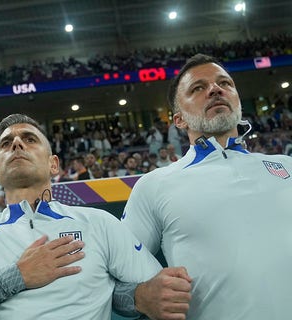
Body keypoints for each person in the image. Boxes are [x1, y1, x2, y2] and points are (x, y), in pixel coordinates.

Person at [0, 114, 191, 320]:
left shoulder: (98, 223)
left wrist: (139, 298)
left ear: (54, 164)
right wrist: (17, 276)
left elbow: (154, 288)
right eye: (6, 144)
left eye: (29, 139)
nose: (16, 144)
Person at [122, 54, 292, 319]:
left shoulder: (286, 167)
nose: (215, 89)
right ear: (179, 120)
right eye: (198, 88)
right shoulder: (154, 186)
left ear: (237, 101)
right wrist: (139, 297)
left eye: (225, 83)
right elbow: (116, 275)